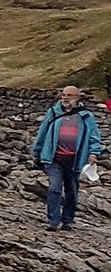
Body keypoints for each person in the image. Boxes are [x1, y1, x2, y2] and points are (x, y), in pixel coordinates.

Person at [33, 85, 103, 231]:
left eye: (69, 95)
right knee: (54, 188)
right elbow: (42, 132)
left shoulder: (86, 116)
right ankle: (53, 221)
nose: (65, 98)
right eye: (63, 95)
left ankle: (68, 221)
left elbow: (94, 136)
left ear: (77, 97)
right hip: (53, 158)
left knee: (72, 191)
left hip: (75, 160)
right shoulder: (53, 112)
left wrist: (93, 153)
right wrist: (37, 152)